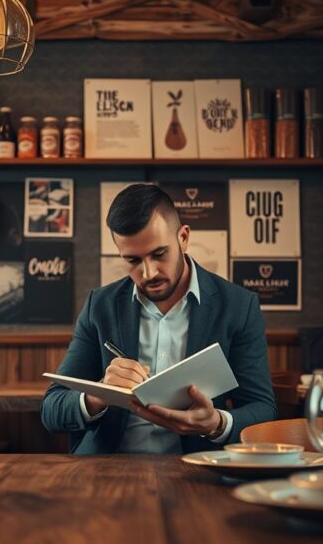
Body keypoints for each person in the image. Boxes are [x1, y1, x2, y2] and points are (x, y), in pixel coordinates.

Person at [40, 184, 276, 454]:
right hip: (107, 468)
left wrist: (216, 424)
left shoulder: (238, 306)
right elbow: (52, 408)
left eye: (159, 254)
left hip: (197, 468)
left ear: (184, 238)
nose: (149, 272)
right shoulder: (100, 306)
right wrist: (98, 395)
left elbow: (263, 408)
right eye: (133, 260)